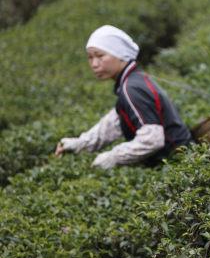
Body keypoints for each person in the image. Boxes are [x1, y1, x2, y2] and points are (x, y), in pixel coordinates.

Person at [55, 25, 193, 169]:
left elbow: (152, 140)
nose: (94, 64)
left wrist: (113, 157)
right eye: (90, 57)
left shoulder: (131, 88)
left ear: (120, 54)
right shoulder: (131, 82)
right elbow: (116, 120)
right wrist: (80, 144)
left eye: (100, 56)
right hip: (177, 161)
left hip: (179, 164)